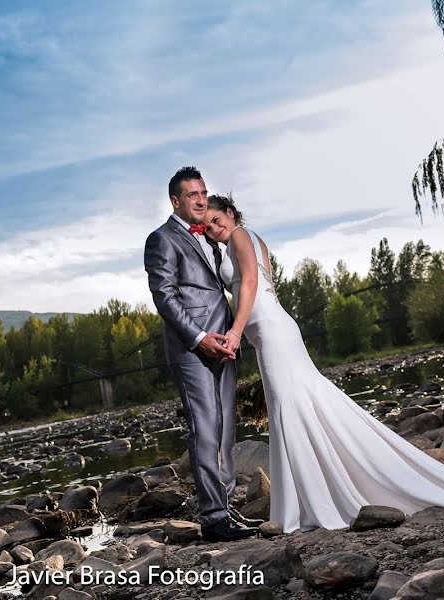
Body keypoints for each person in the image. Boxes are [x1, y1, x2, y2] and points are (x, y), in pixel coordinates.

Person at [202, 192, 444, 533]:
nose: (215, 228)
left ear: (233, 213)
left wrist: (235, 332)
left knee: (293, 406)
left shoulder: (239, 236)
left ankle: (306, 503)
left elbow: (250, 284)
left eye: (218, 220)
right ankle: (308, 496)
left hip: (270, 331)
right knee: (300, 405)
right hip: (273, 330)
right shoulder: (247, 238)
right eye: (208, 226)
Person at [144, 167, 262, 541]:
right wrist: (198, 338)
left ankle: (227, 510)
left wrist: (230, 335)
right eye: (192, 194)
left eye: (203, 193)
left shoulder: (211, 241)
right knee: (205, 429)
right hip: (192, 349)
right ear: (175, 201)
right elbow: (165, 296)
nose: (199, 199)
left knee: (226, 428)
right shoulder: (161, 239)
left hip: (225, 347)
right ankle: (213, 518)